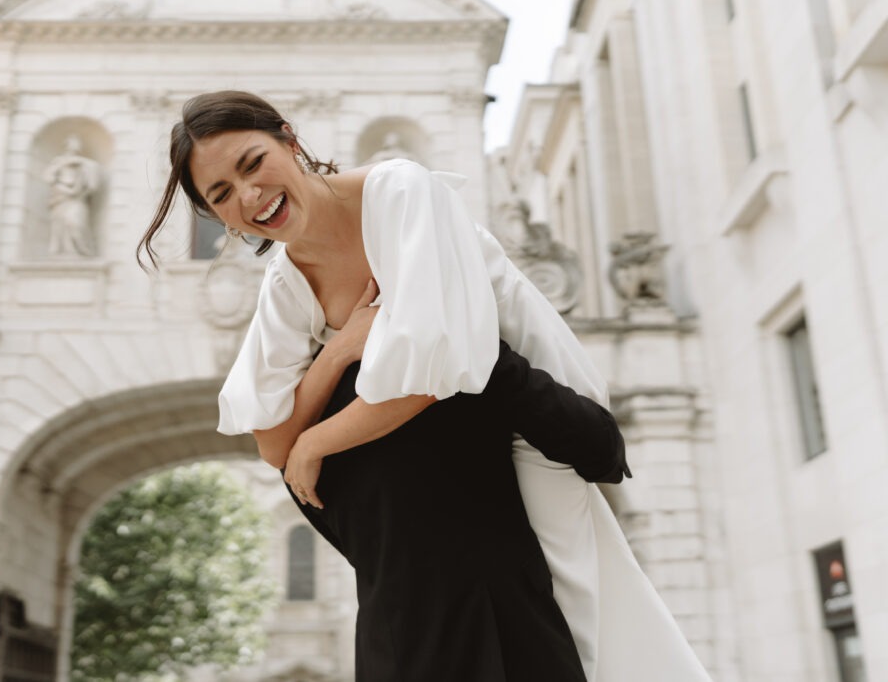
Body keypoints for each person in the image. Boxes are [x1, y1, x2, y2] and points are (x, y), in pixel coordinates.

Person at [139, 91, 711, 681]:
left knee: (580, 605)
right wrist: (335, 353)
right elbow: (270, 440)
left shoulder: (400, 191)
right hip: (425, 472)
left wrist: (315, 444)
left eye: (252, 163)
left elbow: (431, 374)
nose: (250, 197)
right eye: (222, 195)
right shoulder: (286, 281)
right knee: (420, 593)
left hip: (529, 420)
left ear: (289, 138)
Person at [287, 334, 626, 681]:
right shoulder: (464, 347)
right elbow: (601, 449)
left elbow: (333, 521)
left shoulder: (304, 424)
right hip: (511, 633)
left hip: (397, 645)